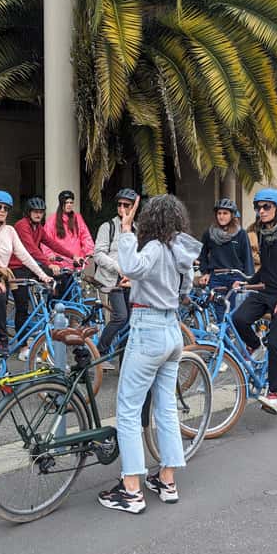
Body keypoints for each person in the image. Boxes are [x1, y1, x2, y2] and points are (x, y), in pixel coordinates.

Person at [97, 194, 201, 515]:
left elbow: (131, 266)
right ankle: (166, 481)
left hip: (148, 329)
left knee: (128, 409)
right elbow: (186, 287)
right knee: (166, 408)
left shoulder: (154, 246)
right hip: (172, 329)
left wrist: (127, 229)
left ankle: (131, 490)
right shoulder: (177, 250)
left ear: (152, 219)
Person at [231, 189, 277, 417]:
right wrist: (246, 283)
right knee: (238, 318)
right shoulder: (263, 233)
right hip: (267, 293)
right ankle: (253, 344)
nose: (261, 211)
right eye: (258, 207)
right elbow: (267, 270)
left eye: (266, 207)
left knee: (275, 342)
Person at [0, 190, 53, 357]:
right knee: (0, 293)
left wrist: (42, 275)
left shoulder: (10, 231)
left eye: (6, 208)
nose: (2, 211)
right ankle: (2, 341)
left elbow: (25, 256)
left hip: (1, 279)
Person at [9, 197, 78, 356]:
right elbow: (31, 249)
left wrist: (72, 255)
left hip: (31, 266)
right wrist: (48, 263)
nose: (38, 215)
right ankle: (23, 347)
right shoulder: (22, 226)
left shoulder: (38, 228)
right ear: (28, 212)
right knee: (22, 306)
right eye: (35, 212)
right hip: (16, 268)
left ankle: (49, 312)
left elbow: (52, 244)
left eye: (41, 212)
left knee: (59, 277)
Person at [93, 188, 138, 362]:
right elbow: (98, 254)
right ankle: (100, 351)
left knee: (131, 321)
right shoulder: (108, 227)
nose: (121, 208)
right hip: (113, 280)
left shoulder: (137, 229)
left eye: (126, 205)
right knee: (121, 316)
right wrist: (118, 267)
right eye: (119, 204)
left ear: (133, 207)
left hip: (132, 281)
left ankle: (123, 358)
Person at [198, 198, 254, 321]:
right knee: (220, 313)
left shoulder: (241, 234)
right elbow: (202, 254)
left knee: (234, 313)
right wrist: (205, 272)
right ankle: (222, 340)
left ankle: (234, 338)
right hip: (216, 278)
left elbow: (248, 258)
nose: (221, 216)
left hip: (235, 277)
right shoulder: (209, 233)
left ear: (232, 215)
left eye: (225, 213)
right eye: (219, 213)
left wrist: (248, 280)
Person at [45, 190, 94, 268]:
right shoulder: (52, 220)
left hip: (76, 262)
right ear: (61, 204)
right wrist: (49, 254)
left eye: (71, 203)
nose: (69, 205)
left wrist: (89, 250)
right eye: (66, 203)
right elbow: (46, 241)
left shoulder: (77, 218)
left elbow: (85, 236)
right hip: (60, 264)